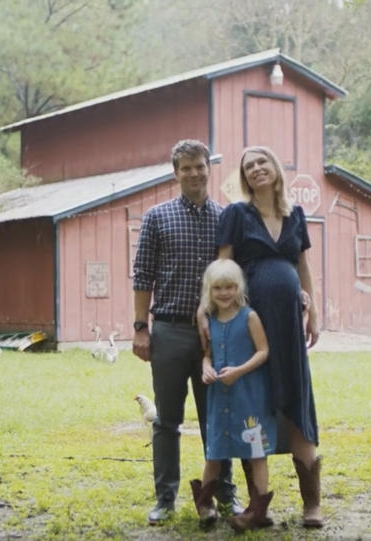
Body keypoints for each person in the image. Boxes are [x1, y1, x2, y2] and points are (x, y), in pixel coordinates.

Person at [131, 139, 241, 525]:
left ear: (209, 168)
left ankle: (225, 494)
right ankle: (165, 498)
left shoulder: (226, 218)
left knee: (219, 417)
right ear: (175, 173)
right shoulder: (157, 217)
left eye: (200, 165)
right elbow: (143, 274)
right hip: (170, 332)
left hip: (217, 335)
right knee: (167, 421)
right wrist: (141, 328)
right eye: (186, 168)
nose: (194, 173)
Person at [214, 145, 324, 528]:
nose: (257, 169)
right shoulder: (236, 214)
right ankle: (258, 505)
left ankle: (312, 504)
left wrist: (314, 312)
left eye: (263, 162)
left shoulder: (296, 215)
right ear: (244, 178)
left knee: (295, 396)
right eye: (249, 166)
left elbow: (303, 267)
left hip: (291, 324)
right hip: (252, 323)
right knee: (252, 404)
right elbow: (223, 266)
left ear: (275, 169)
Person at [192, 258, 275, 532]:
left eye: (229, 287)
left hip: (248, 396)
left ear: (238, 287)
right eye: (218, 288)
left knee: (256, 451)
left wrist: (239, 370)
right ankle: (204, 503)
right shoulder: (210, 321)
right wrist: (206, 368)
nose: (224, 293)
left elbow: (263, 351)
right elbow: (208, 355)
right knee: (214, 451)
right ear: (209, 290)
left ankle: (259, 509)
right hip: (220, 398)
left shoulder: (248, 316)